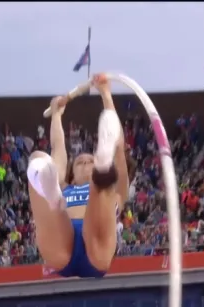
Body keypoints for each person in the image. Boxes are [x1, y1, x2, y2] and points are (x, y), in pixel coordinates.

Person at [26, 73, 130, 278]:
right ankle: (53, 198)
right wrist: (57, 114)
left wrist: (106, 93)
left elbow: (119, 149)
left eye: (89, 160)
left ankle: (103, 166)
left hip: (97, 244)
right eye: (80, 162)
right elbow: (58, 146)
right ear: (73, 172)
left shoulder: (116, 190)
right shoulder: (66, 185)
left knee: (104, 183)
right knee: (39, 158)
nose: (84, 164)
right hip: (61, 239)